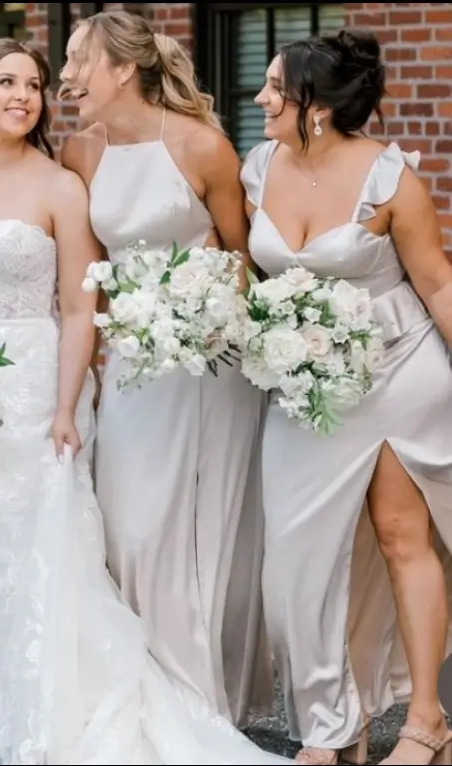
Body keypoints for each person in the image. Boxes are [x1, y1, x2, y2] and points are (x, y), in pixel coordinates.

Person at [0, 36, 293, 765]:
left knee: (45, 552)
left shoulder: (60, 181)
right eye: (8, 82)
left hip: (32, 384)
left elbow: (81, 304)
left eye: (36, 83)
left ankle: (50, 717)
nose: (26, 95)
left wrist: (63, 406)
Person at [241, 28, 452, 766]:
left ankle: (426, 720)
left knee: (400, 538)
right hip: (302, 384)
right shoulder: (256, 164)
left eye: (274, 88)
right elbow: (247, 273)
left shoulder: (391, 180)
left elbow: (434, 282)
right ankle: (330, 724)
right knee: (294, 558)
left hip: (397, 370)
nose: (260, 98)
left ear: (317, 107)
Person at [58, 9, 273, 725]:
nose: (65, 77)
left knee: (204, 524)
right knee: (132, 525)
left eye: (77, 61)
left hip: (209, 365)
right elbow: (87, 278)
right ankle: (145, 692)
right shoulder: (79, 153)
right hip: (130, 364)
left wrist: (202, 318)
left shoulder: (200, 146)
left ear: (123, 68)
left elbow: (243, 257)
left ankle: (201, 698)